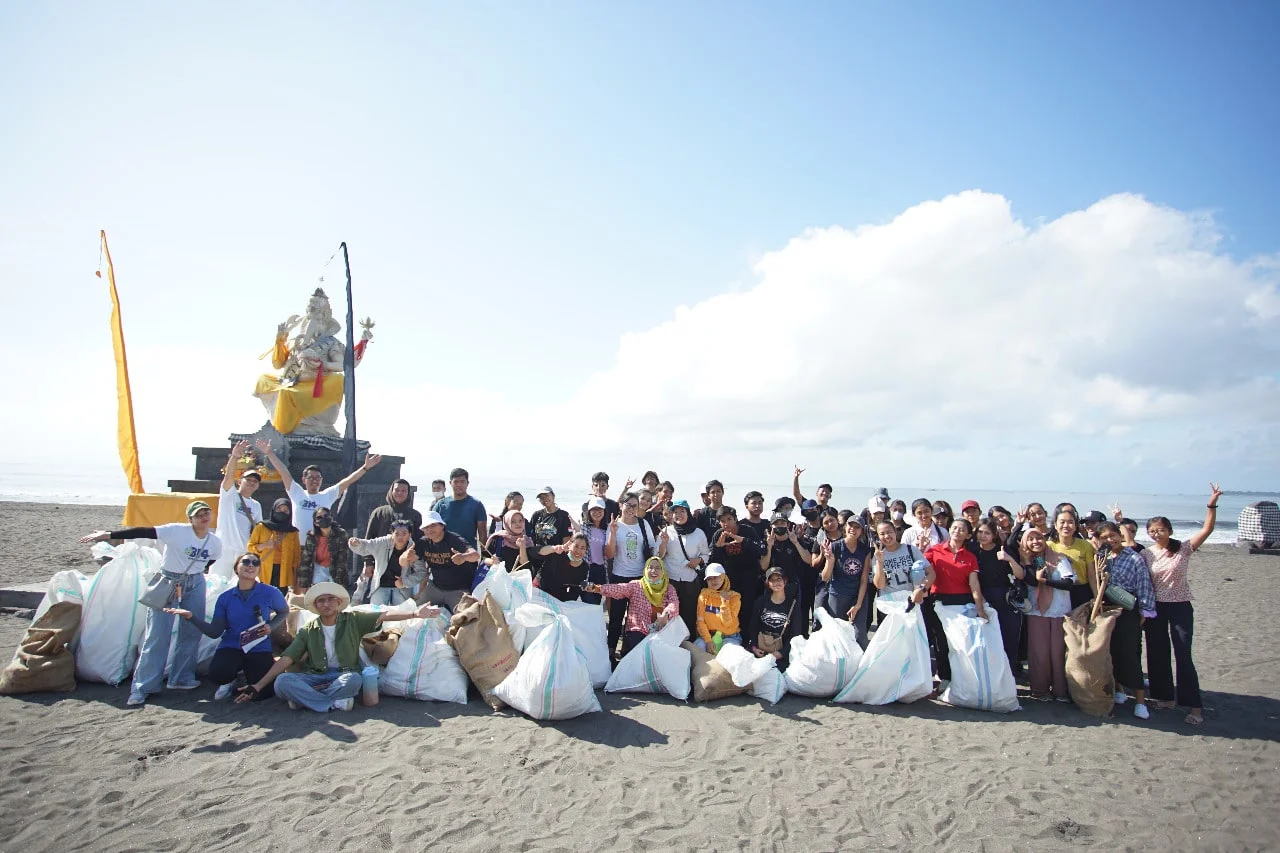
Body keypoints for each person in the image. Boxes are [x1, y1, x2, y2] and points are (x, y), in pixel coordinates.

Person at [79, 500, 224, 706]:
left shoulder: (214, 541)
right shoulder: (176, 531)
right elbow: (145, 531)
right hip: (168, 581)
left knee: (191, 629)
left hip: (195, 582)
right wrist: (109, 534)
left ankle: (181, 678)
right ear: (190, 518)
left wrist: (195, 572)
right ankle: (143, 686)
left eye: (207, 512)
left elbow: (211, 560)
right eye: (198, 514)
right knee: (158, 632)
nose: (204, 516)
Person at [234, 583, 438, 712]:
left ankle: (308, 700)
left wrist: (415, 614)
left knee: (355, 679)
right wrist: (258, 686)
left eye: (331, 599)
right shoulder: (308, 629)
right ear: (316, 606)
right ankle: (332, 703)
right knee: (282, 683)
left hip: (343, 675)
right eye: (321, 600)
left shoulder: (353, 620)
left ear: (339, 602)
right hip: (315, 675)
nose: (326, 604)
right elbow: (288, 658)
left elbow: (384, 616)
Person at [1138, 483, 1221, 726]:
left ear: (1170, 530)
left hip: (1180, 606)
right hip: (1155, 609)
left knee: (1183, 654)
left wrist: (1212, 504)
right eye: (1152, 531)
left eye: (1160, 529)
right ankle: (1164, 698)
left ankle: (1194, 707)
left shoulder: (1183, 549)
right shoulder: (1147, 554)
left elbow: (1208, 528)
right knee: (1157, 653)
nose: (1156, 534)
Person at [164, 551, 288, 700]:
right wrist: (191, 617)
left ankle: (246, 672)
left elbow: (284, 611)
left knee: (265, 692)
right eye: (246, 562)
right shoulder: (225, 598)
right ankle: (230, 679)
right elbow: (215, 632)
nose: (251, 565)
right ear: (236, 568)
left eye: (255, 563)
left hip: (258, 645)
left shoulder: (270, 592)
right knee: (218, 675)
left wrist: (271, 627)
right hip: (232, 644)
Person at [254, 438, 382, 544]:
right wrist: (270, 453)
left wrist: (365, 468)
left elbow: (348, 481)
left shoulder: (327, 495)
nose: (314, 480)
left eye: (318, 478)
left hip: (320, 548)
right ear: (304, 479)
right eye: (311, 477)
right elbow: (283, 472)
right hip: (297, 546)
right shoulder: (297, 492)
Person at [1094, 522, 1157, 721]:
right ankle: (1119, 690)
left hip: (1127, 610)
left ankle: (1140, 701)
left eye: (1113, 535)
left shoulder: (1134, 558)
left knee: (1130, 654)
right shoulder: (1100, 558)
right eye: (1105, 537)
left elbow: (1144, 585)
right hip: (1105, 610)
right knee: (1110, 653)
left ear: (1121, 536)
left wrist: (1144, 612)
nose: (1110, 540)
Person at [922, 520, 985, 685]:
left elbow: (974, 584)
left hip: (962, 603)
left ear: (968, 535)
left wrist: (980, 608)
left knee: (960, 643)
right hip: (938, 602)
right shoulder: (935, 550)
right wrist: (921, 548)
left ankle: (962, 680)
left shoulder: (970, 557)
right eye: (954, 528)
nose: (957, 531)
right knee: (941, 642)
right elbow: (920, 568)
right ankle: (944, 678)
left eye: (962, 529)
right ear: (949, 530)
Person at [1017, 528, 1074, 700]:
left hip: (1059, 611)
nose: (1035, 542)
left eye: (1038, 538)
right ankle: (1040, 690)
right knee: (1038, 653)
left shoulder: (1059, 558)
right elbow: (1029, 581)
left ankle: (1060, 690)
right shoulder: (1026, 562)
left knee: (1058, 653)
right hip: (1036, 612)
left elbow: (1068, 583)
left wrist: (1046, 581)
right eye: (1030, 539)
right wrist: (1027, 563)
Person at [602, 494, 660, 661]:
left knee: (638, 618)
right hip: (619, 577)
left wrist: (662, 544)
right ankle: (611, 652)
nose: (631, 509)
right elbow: (609, 554)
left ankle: (631, 652)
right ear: (621, 505)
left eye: (635, 506)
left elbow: (652, 549)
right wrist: (613, 533)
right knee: (615, 618)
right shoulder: (613, 525)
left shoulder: (643, 524)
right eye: (628, 505)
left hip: (640, 579)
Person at [585, 558, 678, 658]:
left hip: (660, 631)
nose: (653, 571)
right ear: (645, 570)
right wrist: (597, 588)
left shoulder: (669, 588)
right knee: (638, 654)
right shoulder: (636, 585)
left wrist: (666, 614)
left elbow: (674, 603)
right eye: (650, 567)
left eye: (657, 568)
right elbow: (618, 589)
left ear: (663, 571)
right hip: (637, 630)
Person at [967, 518, 1024, 677]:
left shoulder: (1003, 550)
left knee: (1008, 641)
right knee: (985, 642)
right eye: (980, 532)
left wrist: (1009, 559)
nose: (983, 536)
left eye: (987, 533)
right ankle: (988, 679)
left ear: (994, 535)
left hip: (1004, 599)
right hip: (980, 598)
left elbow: (1020, 575)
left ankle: (1009, 677)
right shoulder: (971, 549)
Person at [402, 511, 480, 613]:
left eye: (433, 525)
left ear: (442, 526)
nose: (429, 530)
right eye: (426, 527)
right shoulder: (423, 542)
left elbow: (476, 556)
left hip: (458, 590)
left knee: (465, 619)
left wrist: (463, 557)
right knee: (415, 612)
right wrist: (405, 556)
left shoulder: (454, 540)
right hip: (435, 588)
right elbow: (403, 562)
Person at [659, 500, 711, 638]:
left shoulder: (699, 533)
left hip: (691, 580)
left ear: (688, 513)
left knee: (689, 615)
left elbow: (706, 554)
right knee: (670, 614)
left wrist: (698, 560)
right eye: (675, 512)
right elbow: (657, 556)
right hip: (671, 580)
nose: (678, 515)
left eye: (682, 511)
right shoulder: (666, 531)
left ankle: (689, 647)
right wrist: (663, 543)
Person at [817, 516, 872, 646]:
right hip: (838, 595)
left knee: (859, 636)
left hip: (858, 595)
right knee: (838, 634)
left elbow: (864, 579)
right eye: (850, 525)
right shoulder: (835, 546)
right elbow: (825, 577)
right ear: (845, 527)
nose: (853, 529)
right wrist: (829, 559)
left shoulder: (865, 550)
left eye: (857, 527)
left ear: (862, 531)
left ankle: (859, 665)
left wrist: (858, 605)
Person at [760, 511, 815, 635]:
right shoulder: (768, 542)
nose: (780, 525)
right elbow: (763, 566)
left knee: (794, 617)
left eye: (783, 523)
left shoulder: (796, 541)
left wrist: (796, 542)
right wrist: (769, 547)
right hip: (772, 586)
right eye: (776, 523)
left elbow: (809, 560)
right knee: (773, 617)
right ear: (771, 526)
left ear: (788, 524)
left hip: (792, 586)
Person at [711, 506, 764, 628]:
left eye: (729, 519)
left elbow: (761, 550)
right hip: (729, 581)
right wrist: (717, 547)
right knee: (729, 611)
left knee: (747, 611)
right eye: (722, 521)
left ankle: (746, 642)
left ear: (735, 519)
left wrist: (743, 540)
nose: (726, 523)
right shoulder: (718, 535)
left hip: (749, 579)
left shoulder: (747, 530)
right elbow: (713, 562)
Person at [349, 520, 421, 606]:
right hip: (380, 585)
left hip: (402, 588)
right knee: (376, 613)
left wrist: (405, 582)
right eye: (397, 534)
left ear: (409, 535)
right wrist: (356, 543)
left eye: (404, 534)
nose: (400, 537)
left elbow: (421, 572)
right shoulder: (383, 542)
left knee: (402, 613)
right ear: (392, 534)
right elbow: (367, 545)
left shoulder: (414, 548)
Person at [214, 440, 262, 566]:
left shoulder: (256, 505)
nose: (252, 482)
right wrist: (235, 456)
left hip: (243, 551)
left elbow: (258, 529)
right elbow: (228, 477)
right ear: (240, 481)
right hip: (223, 548)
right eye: (248, 479)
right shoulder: (230, 495)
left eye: (255, 481)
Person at [750, 567, 802, 671]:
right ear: (768, 583)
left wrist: (781, 653)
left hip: (782, 655)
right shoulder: (761, 601)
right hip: (761, 651)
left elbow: (795, 634)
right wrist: (754, 647)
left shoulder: (793, 605)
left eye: (779, 579)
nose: (776, 583)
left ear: (785, 581)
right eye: (772, 580)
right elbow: (753, 627)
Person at [247, 498, 301, 592]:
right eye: (279, 509)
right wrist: (265, 545)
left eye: (285, 511)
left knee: (279, 598)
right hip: (264, 570)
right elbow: (250, 547)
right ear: (273, 510)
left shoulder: (293, 532)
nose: (281, 512)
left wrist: (295, 580)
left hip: (284, 572)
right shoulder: (261, 527)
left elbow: (296, 557)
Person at [1048, 509, 1097, 610]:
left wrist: (1097, 596)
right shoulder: (1048, 546)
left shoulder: (1086, 545)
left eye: (1070, 522)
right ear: (1055, 525)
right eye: (1062, 522)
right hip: (1058, 591)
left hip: (1081, 592)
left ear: (1076, 526)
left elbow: (1091, 575)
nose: (1066, 525)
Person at [871, 521, 932, 602]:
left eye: (889, 532)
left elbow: (931, 573)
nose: (886, 536)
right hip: (890, 604)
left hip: (911, 601)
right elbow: (880, 585)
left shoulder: (911, 549)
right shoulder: (878, 556)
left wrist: (921, 589)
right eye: (882, 534)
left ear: (895, 532)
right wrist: (880, 562)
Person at [297, 505, 351, 593]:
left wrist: (338, 581)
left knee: (335, 595)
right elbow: (306, 560)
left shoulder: (341, 534)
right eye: (319, 517)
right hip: (319, 569)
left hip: (335, 569)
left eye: (326, 516)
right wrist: (304, 584)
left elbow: (342, 560)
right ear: (315, 522)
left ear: (331, 518)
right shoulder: (311, 537)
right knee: (318, 595)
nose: (323, 518)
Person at [694, 564, 741, 652]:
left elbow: (727, 623)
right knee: (697, 649)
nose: (713, 581)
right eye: (709, 578)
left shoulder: (734, 597)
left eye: (715, 577)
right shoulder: (704, 595)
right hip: (709, 635)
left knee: (728, 653)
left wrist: (724, 602)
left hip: (729, 636)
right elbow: (700, 621)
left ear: (723, 577)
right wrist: (708, 641)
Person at [434, 467, 487, 546]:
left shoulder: (477, 505)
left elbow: (482, 533)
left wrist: (483, 555)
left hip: (468, 553)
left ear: (467, 483)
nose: (459, 485)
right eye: (456, 482)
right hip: (443, 553)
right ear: (450, 483)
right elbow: (431, 528)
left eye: (462, 481)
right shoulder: (440, 505)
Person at [529, 486, 574, 572]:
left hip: (555, 561)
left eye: (546, 495)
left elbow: (566, 540)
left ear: (553, 495)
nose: (544, 499)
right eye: (541, 497)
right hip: (537, 561)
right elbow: (531, 538)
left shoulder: (563, 515)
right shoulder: (536, 515)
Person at [537, 533, 591, 602]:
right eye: (576, 546)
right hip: (540, 592)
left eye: (582, 548)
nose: (578, 551)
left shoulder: (584, 567)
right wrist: (554, 548)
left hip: (559, 600)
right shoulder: (558, 553)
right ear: (570, 545)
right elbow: (538, 551)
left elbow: (574, 592)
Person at [580, 497, 610, 605]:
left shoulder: (607, 530)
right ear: (589, 512)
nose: (597, 513)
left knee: (597, 602)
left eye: (600, 510)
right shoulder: (583, 528)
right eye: (594, 510)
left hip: (602, 570)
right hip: (588, 569)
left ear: (604, 512)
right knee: (588, 601)